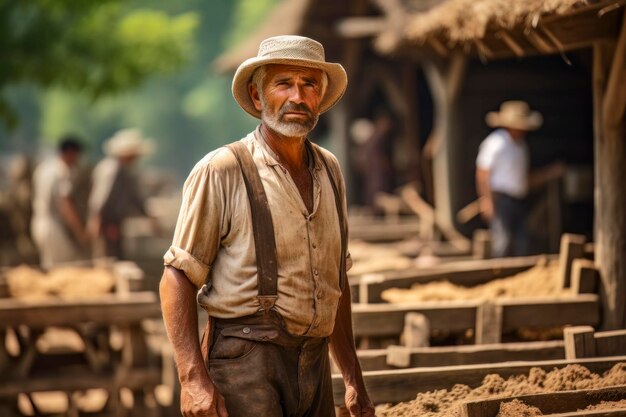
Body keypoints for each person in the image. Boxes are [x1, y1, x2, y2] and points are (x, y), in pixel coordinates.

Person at [159, 35, 375, 417]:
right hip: (246, 360)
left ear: (320, 99)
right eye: (283, 83)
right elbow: (177, 277)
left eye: (309, 85)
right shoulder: (222, 169)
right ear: (259, 99)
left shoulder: (330, 170)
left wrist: (354, 378)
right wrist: (192, 379)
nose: (297, 96)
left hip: (314, 364)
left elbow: (336, 282)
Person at [476, 100, 565, 257]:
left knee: (522, 240)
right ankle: (498, 274)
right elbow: (482, 173)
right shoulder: (496, 143)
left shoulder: (521, 147)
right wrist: (486, 199)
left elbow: (524, 179)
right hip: (502, 200)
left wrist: (549, 173)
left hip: (518, 199)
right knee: (503, 241)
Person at [87, 128, 154, 259]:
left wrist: (148, 215)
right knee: (108, 258)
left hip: (113, 222)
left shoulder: (121, 170)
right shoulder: (113, 171)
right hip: (108, 223)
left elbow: (134, 197)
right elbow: (102, 200)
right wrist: (103, 222)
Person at [31, 136, 88, 268]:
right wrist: (80, 232)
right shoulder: (62, 171)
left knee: (49, 265)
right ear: (70, 153)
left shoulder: (44, 168)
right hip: (53, 226)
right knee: (64, 267)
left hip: (38, 223)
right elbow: (65, 205)